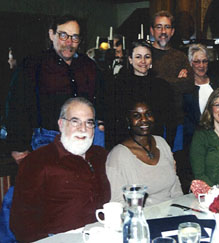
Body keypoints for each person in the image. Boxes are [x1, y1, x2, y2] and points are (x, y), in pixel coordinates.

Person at [5, 14, 105, 163]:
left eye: (75, 37)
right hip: (48, 139)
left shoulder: (89, 66)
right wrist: (18, 147)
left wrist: (101, 124)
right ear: (51, 34)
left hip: (88, 138)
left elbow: (103, 99)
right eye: (63, 35)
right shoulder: (33, 65)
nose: (69, 43)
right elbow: (16, 106)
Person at [10, 97, 110, 242]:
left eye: (89, 123)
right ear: (61, 124)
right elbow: (22, 224)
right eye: (75, 121)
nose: (83, 129)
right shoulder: (38, 161)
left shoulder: (100, 156)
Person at [106, 99, 183, 206]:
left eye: (148, 114)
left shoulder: (161, 143)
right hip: (142, 218)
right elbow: (117, 201)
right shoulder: (118, 155)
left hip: (173, 212)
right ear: (128, 120)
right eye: (137, 116)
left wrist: (182, 209)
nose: (144, 119)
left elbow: (175, 186)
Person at [105, 40, 175, 150]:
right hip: (125, 144)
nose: (143, 61)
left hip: (155, 144)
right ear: (130, 60)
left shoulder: (162, 87)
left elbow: (171, 122)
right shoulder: (118, 85)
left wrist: (168, 148)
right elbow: (111, 122)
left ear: (152, 60)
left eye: (147, 57)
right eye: (138, 57)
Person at [150, 10, 195, 150]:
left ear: (173, 31)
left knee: (174, 162)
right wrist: (176, 80)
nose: (163, 31)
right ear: (152, 30)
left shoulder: (180, 56)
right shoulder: (145, 54)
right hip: (151, 121)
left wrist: (159, 81)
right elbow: (149, 85)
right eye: (159, 27)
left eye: (167, 27)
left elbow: (189, 84)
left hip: (176, 120)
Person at [183, 43, 218, 147]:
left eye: (204, 61)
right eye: (197, 62)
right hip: (194, 140)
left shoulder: (217, 84)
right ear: (190, 63)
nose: (201, 66)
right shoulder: (186, 87)